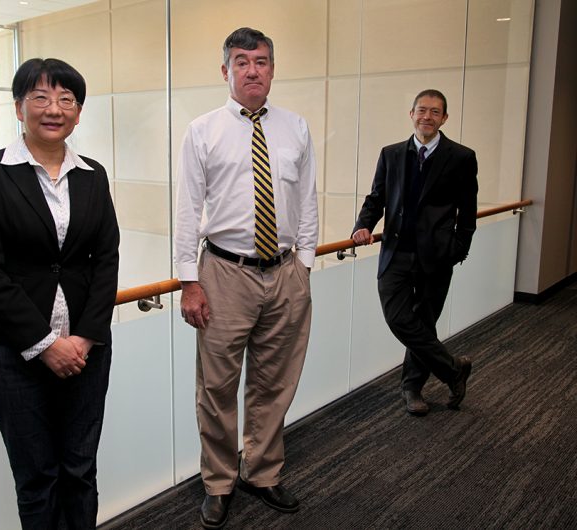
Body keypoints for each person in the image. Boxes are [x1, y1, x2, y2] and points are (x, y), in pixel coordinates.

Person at [0, 58, 119, 529]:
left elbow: (106, 259)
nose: (55, 109)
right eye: (41, 98)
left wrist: (85, 338)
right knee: (37, 477)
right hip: (10, 353)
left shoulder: (93, 174)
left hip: (86, 352)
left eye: (66, 99)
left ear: (79, 111)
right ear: (18, 107)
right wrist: (46, 344)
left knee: (80, 469)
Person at [174, 27, 318, 529]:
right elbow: (189, 210)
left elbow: (307, 202)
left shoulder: (296, 127)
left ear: (272, 69)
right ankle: (217, 482)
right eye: (241, 61)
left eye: (260, 61)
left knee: (274, 382)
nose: (252, 69)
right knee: (216, 386)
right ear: (226, 71)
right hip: (224, 274)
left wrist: (305, 262)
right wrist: (188, 281)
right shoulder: (203, 130)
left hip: (284, 272)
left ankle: (263, 471)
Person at [352, 89, 477, 417]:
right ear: (411, 114)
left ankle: (412, 388)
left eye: (435, 112)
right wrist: (362, 225)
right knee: (399, 317)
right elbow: (376, 196)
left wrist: (458, 250)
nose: (428, 116)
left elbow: (468, 211)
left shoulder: (461, 157)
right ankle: (453, 369)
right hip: (395, 252)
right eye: (422, 110)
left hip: (437, 256)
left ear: (444, 119)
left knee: (424, 322)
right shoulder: (391, 154)